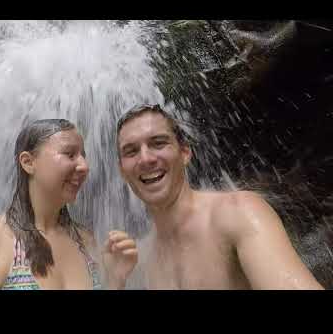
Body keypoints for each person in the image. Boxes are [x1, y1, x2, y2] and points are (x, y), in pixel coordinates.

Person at [116, 104, 324, 290]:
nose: (145, 158)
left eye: (158, 143)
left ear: (185, 153)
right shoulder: (139, 259)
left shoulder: (237, 213)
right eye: (131, 151)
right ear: (122, 171)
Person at [0, 119, 137, 290]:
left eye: (83, 155)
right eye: (70, 154)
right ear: (28, 162)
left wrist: (115, 281)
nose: (84, 166)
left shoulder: (86, 241)